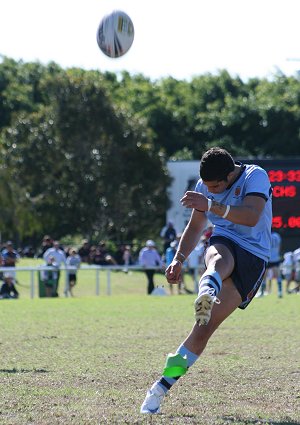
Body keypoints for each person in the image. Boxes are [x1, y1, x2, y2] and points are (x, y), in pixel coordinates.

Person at [141, 146, 272, 414]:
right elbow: (196, 226)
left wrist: (211, 205)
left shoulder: (255, 176)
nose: (210, 190)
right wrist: (178, 258)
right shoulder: (204, 185)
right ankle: (159, 389)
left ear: (229, 176)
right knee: (217, 259)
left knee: (203, 332)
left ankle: (207, 292)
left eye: (215, 186)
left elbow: (251, 216)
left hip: (255, 256)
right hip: (225, 240)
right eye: (207, 187)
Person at [260, 231, 282, 297]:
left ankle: (262, 293)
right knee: (278, 276)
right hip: (275, 258)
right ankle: (280, 292)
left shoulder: (265, 234)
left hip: (267, 258)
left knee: (264, 277)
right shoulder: (277, 235)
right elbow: (279, 246)